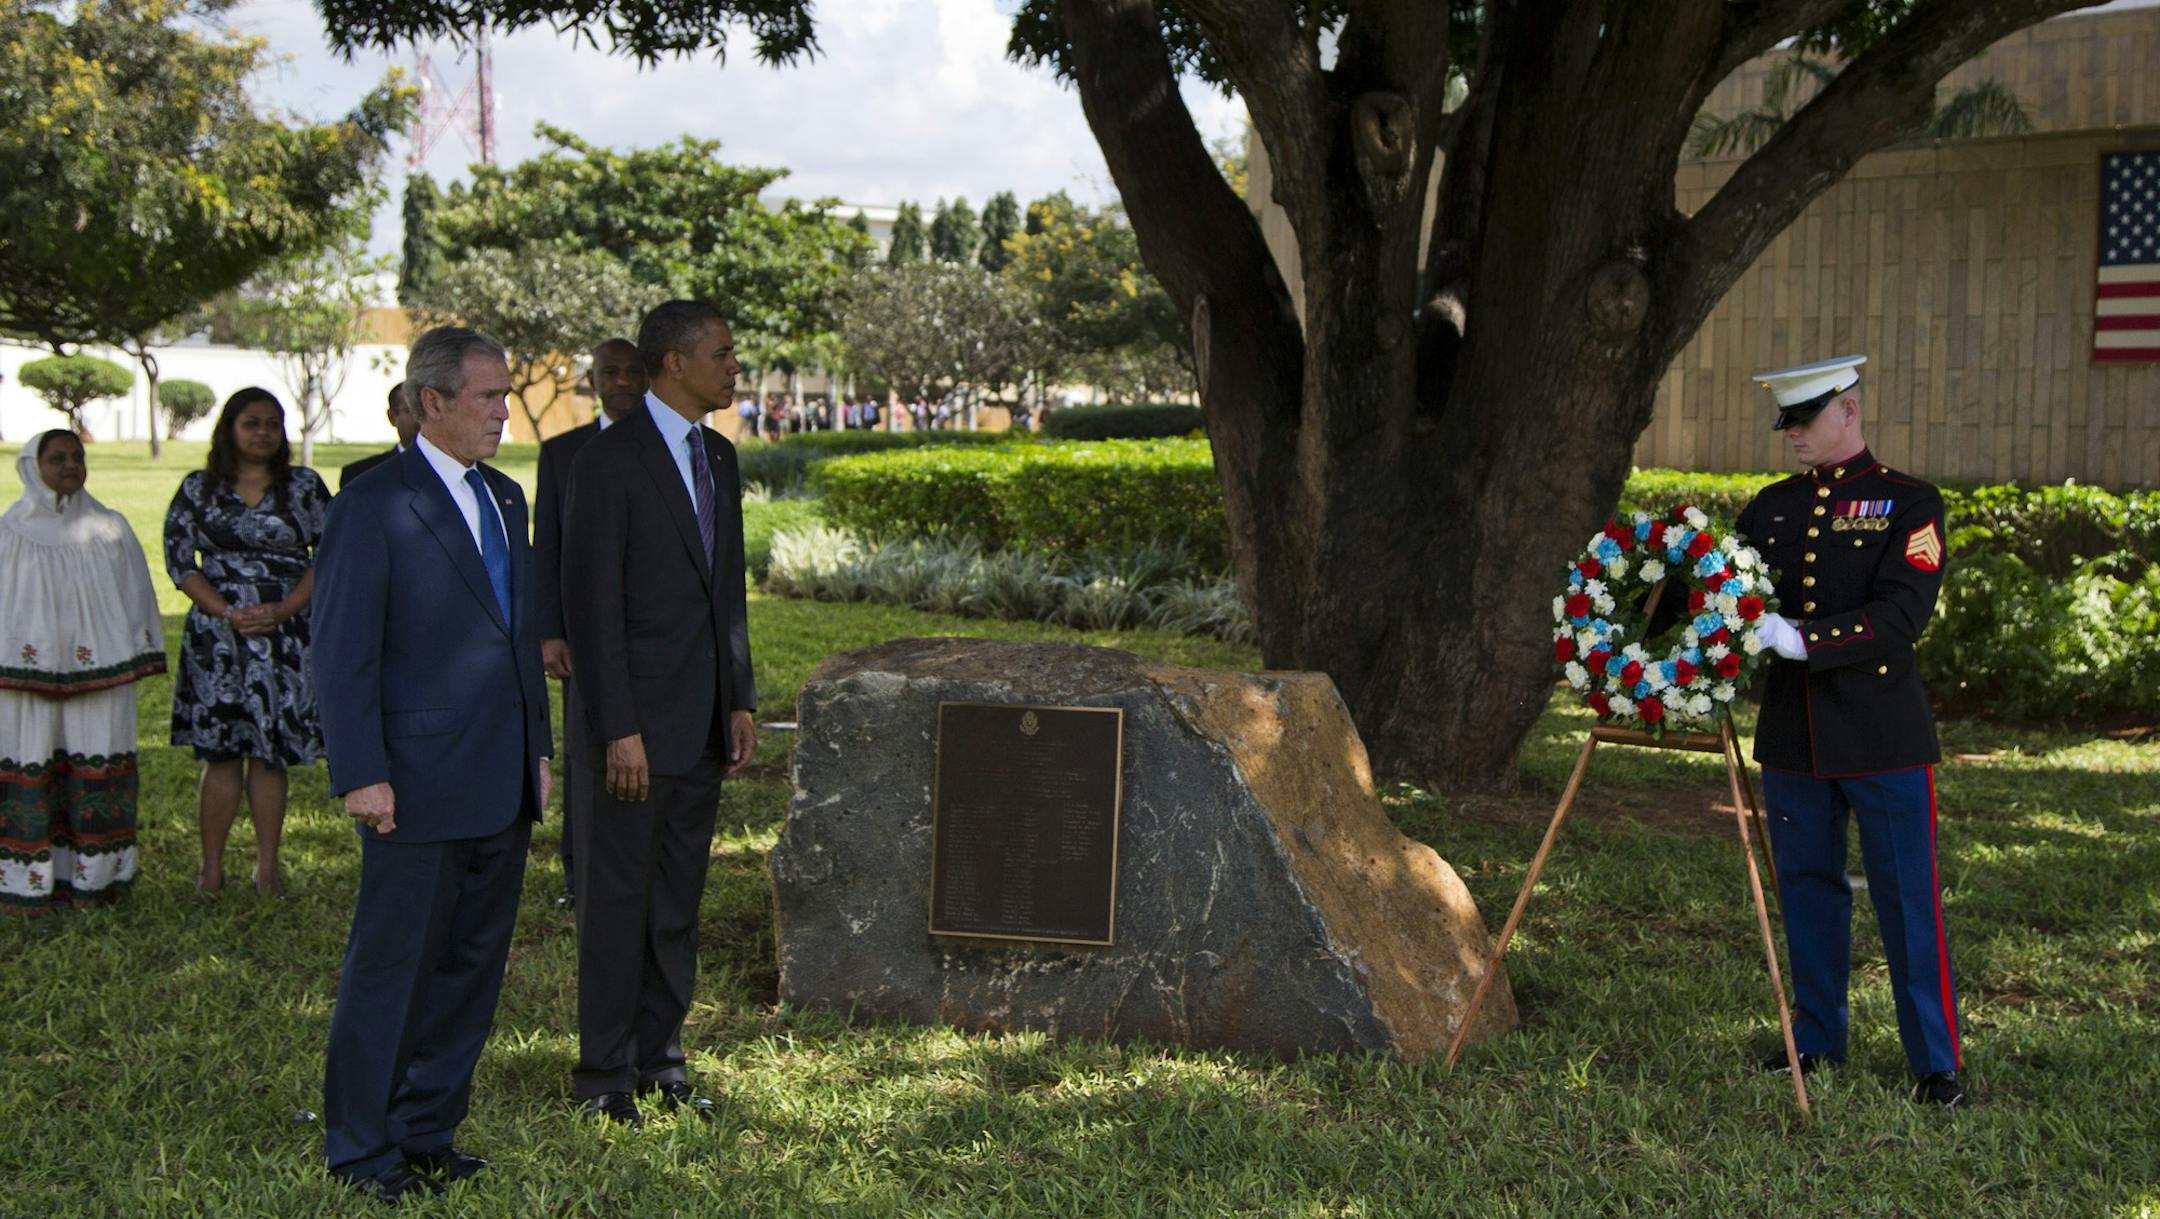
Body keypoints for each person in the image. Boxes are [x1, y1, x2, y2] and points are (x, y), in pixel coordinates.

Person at [312, 326, 552, 1203]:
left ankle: (426, 1130)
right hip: (411, 780)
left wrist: (540, 748)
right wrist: (360, 771)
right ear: (432, 402)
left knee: (472, 966)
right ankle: (361, 1146)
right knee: (393, 966)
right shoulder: (373, 501)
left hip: (502, 776)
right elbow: (343, 654)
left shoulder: (508, 497)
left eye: (504, 395)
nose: (503, 411)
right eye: (487, 397)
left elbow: (518, 636)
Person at [1735, 354, 1963, 1108]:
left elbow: (1904, 613)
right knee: (1806, 887)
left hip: (1882, 736)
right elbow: (1726, 599)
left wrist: (1802, 640)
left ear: (1849, 412)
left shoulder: (1908, 502)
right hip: (1795, 736)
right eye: (1786, 422)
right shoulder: (1770, 507)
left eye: (1803, 419)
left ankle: (1935, 1062)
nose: (1791, 435)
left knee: (1907, 896)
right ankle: (1817, 1036)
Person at [561, 300, 757, 1127]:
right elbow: (591, 604)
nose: (733, 366)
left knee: (677, 901)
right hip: (632, 732)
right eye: (722, 353)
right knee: (618, 902)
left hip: (704, 724)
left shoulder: (720, 454)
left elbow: (729, 592)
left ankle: (660, 1058)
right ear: (674, 363)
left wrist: (739, 696)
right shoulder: (608, 462)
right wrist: (619, 727)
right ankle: (605, 1070)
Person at [164, 388, 330, 898]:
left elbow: (327, 557)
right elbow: (178, 560)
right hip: (218, 640)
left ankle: (268, 870)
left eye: (272, 424)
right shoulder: (199, 487)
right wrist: (227, 612)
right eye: (251, 423)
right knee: (220, 754)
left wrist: (281, 609)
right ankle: (210, 872)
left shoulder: (303, 486)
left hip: (284, 634)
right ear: (229, 429)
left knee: (270, 754)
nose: (262, 433)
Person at [0, 431, 166, 913]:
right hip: (21, 683)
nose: (70, 465)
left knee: (97, 762)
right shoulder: (8, 532)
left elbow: (136, 593)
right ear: (34, 466)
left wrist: (134, 651)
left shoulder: (109, 529)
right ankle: (29, 880)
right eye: (58, 458)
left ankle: (95, 879)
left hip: (101, 678)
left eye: (78, 456)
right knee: (30, 761)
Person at [534, 337, 648, 910]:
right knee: (585, 749)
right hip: (583, 634)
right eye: (611, 372)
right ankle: (578, 874)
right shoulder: (562, 453)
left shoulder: (672, 448)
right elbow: (547, 545)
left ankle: (638, 867)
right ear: (593, 379)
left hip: (653, 635)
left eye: (633, 372)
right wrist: (551, 630)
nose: (623, 382)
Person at [338, 383, 421, 490]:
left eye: (431, 410)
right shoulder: (357, 476)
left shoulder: (447, 469)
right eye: (413, 411)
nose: (422, 419)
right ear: (392, 417)